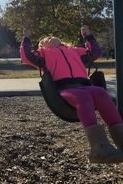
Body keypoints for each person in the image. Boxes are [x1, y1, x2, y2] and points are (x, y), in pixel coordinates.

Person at [20, 26, 123, 164]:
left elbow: (95, 53)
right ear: (42, 45)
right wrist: (26, 39)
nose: (50, 37)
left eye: (53, 36)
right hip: (64, 89)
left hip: (84, 85)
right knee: (83, 96)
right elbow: (27, 56)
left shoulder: (74, 51)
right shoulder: (43, 54)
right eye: (47, 39)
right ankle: (99, 148)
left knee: (100, 92)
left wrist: (89, 36)